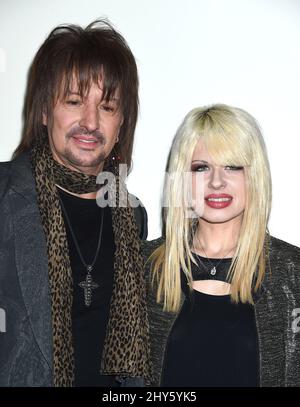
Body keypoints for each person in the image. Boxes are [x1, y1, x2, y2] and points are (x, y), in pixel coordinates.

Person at [0, 19, 151, 387]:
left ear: (122, 125)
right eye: (74, 101)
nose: (90, 121)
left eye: (108, 107)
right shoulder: (4, 195)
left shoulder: (132, 215)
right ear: (44, 111)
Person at [142, 104, 300, 387]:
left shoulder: (293, 273)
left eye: (232, 166)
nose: (216, 182)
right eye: (201, 168)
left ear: (254, 177)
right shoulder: (141, 268)